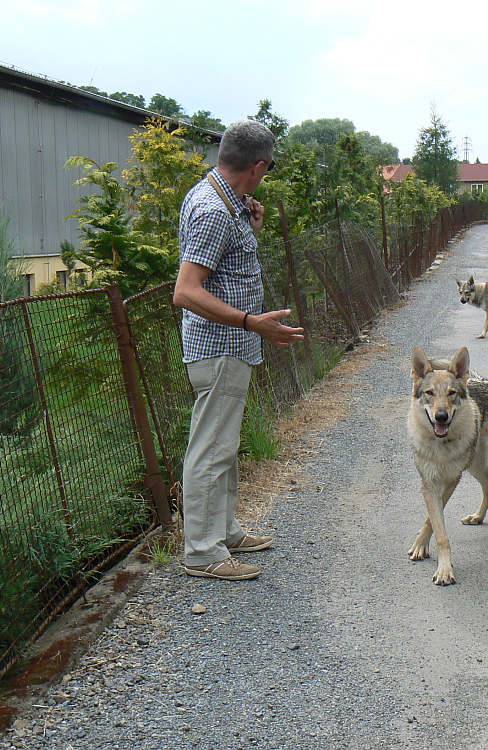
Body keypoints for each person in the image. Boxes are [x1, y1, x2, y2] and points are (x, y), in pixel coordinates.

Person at [173, 119, 304, 581]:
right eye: (267, 170)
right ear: (259, 166)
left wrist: (253, 229)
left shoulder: (223, 201)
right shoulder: (212, 209)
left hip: (230, 346)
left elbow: (225, 268)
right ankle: (203, 552)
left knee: (222, 445)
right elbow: (186, 291)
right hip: (220, 347)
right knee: (210, 448)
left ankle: (222, 531)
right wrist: (253, 323)